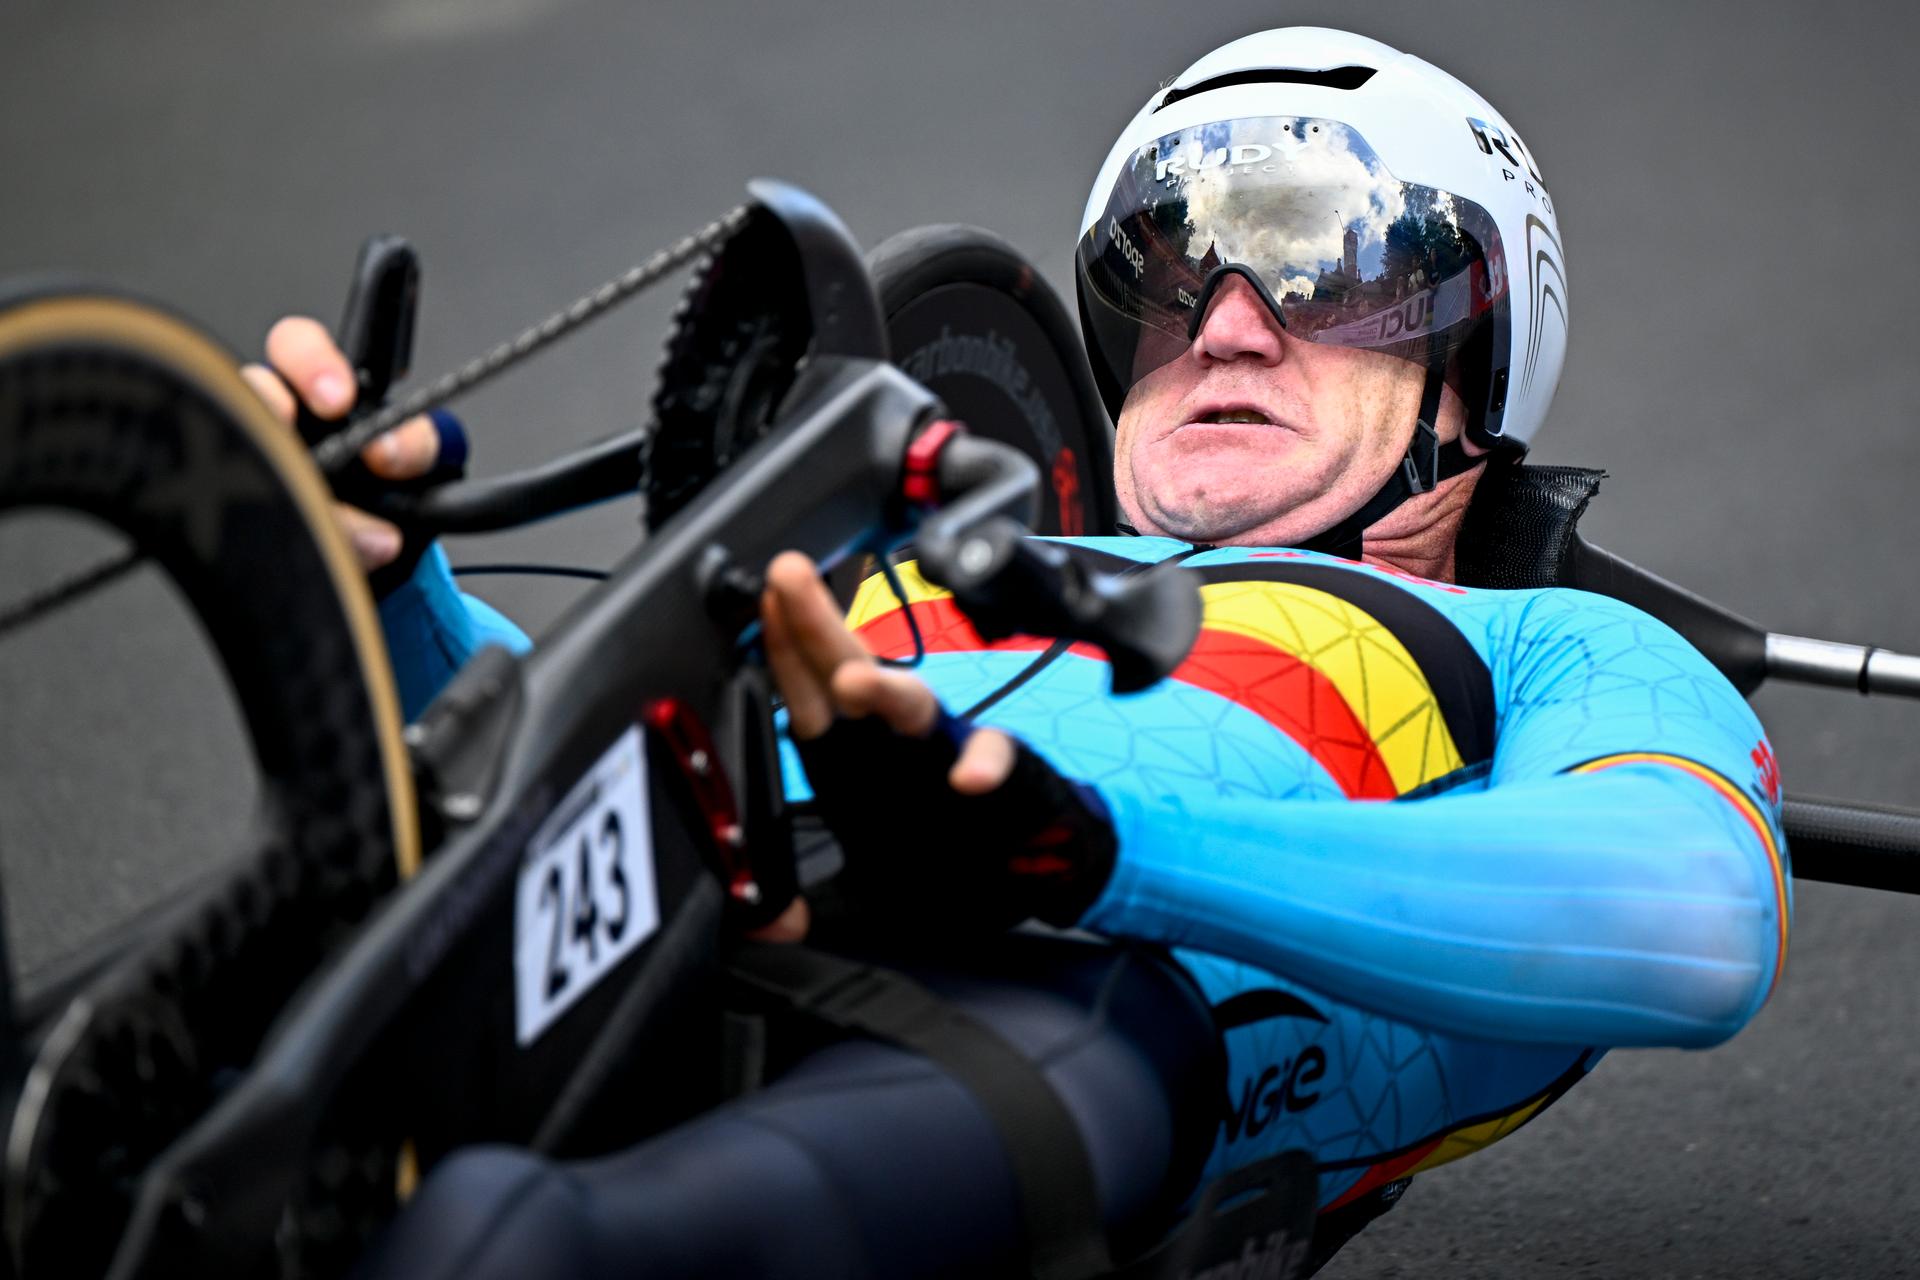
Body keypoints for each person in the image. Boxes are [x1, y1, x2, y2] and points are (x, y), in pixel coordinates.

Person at [257, 27, 1789, 1276]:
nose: (1230, 328)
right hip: (661, 899)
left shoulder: (1543, 641)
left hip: (1057, 1014)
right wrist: (382, 582)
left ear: (1478, 365)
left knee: (499, 1252)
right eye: (1172, 272)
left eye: (1330, 272)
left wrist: (1084, 852)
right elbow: (539, 757)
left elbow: (1695, 921)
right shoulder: (942, 556)